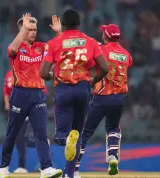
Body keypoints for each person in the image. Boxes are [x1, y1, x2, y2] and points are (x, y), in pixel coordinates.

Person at [40, 9, 109, 178]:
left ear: (63, 24)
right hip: (83, 89)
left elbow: (43, 73)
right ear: (79, 23)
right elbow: (105, 68)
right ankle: (70, 174)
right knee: (76, 132)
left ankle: (66, 141)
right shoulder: (91, 42)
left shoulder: (54, 43)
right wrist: (94, 80)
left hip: (63, 89)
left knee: (62, 136)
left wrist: (54, 74)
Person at [0, 13, 62, 178]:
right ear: (22, 30)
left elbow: (61, 49)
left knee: (41, 133)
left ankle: (46, 168)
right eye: (29, 29)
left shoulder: (41, 47)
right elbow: (12, 49)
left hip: (38, 94)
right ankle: (3, 167)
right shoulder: (15, 47)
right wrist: (23, 28)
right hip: (20, 94)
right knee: (12, 133)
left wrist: (58, 33)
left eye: (34, 29)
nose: (33, 32)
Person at [74, 24, 133, 178]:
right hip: (119, 99)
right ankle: (113, 156)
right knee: (113, 127)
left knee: (84, 133)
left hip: (101, 97)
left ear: (106, 35)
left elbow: (90, 60)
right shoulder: (126, 55)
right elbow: (128, 64)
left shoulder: (101, 50)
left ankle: (74, 168)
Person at [3, 69, 50, 173]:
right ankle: (22, 166)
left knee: (26, 136)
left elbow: (43, 91)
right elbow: (6, 90)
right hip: (16, 109)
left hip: (30, 108)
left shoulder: (33, 72)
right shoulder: (9, 74)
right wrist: (7, 104)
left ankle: (37, 165)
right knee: (20, 138)